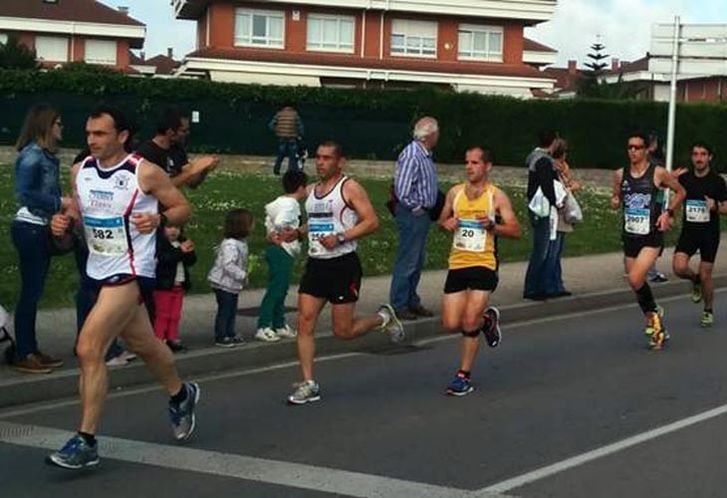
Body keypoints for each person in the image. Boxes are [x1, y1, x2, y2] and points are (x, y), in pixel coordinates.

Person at [46, 105, 200, 469]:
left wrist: (158, 218)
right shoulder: (79, 171)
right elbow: (79, 216)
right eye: (88, 134)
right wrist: (63, 222)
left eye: (100, 134)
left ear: (122, 136)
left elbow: (182, 207)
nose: (92, 141)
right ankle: (182, 394)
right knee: (144, 344)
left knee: (88, 347)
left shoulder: (144, 172)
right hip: (97, 269)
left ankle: (86, 440)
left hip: (130, 271)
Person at [286, 141, 404, 405]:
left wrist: (340, 236)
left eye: (327, 158)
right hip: (316, 264)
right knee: (304, 322)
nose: (320, 162)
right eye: (318, 157)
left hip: (343, 265)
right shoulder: (313, 190)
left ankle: (382, 317)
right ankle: (308, 382)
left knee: (344, 331)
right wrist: (297, 232)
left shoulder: (349, 187)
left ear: (340, 162)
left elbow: (372, 221)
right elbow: (316, 222)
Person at [439, 146, 521, 396]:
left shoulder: (496, 197)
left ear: (487, 166)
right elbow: (441, 222)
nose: (469, 167)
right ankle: (488, 320)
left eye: (475, 162)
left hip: (484, 263)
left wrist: (494, 227)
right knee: (451, 323)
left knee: (468, 321)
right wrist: (447, 224)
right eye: (467, 162)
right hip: (458, 262)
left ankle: (463, 376)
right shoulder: (455, 193)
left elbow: (515, 230)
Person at [10, 104, 72, 373]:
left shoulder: (47, 157)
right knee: (30, 292)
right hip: (30, 227)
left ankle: (29, 347)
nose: (61, 127)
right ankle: (24, 351)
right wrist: (59, 201)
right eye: (57, 123)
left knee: (35, 292)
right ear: (46, 125)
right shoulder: (33, 156)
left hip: (41, 227)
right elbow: (24, 194)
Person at [611, 132, 686, 350]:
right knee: (636, 283)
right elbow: (617, 197)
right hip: (630, 234)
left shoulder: (658, 173)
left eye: (637, 147)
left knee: (635, 278)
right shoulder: (620, 174)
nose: (633, 151)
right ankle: (655, 318)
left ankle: (654, 321)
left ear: (646, 150)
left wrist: (669, 213)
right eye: (629, 147)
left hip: (651, 236)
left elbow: (681, 192)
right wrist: (615, 200)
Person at [389, 117, 440, 320]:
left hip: (423, 213)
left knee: (417, 260)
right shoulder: (412, 154)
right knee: (408, 259)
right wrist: (417, 208)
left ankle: (411, 299)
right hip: (413, 214)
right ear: (430, 134)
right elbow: (402, 188)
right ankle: (399, 303)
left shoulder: (425, 155)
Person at [672, 142, 727, 327]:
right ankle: (694, 280)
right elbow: (672, 192)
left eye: (703, 154)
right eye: (695, 154)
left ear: (709, 157)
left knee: (706, 275)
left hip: (709, 234)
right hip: (689, 231)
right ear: (692, 157)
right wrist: (670, 179)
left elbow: (726, 207)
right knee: (679, 268)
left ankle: (708, 309)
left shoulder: (717, 181)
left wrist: (716, 206)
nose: (699, 158)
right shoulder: (685, 178)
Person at [256, 170, 308, 342]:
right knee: (276, 289)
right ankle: (263, 325)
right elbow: (280, 221)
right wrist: (284, 231)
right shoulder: (292, 204)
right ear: (301, 188)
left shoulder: (277, 202)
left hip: (276, 250)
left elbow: (269, 219)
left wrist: (271, 232)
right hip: (284, 250)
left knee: (280, 288)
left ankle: (279, 323)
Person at [136, 107, 218, 188]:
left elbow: (191, 183)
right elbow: (160, 188)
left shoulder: (177, 149)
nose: (187, 133)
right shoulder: (146, 154)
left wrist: (204, 168)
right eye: (183, 131)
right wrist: (192, 170)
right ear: (170, 131)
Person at [208, 209, 253, 348]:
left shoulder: (240, 243)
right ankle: (221, 335)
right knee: (226, 309)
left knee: (232, 308)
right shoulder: (231, 245)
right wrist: (242, 275)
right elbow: (228, 264)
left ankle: (230, 332)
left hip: (232, 284)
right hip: (223, 283)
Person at [524, 130, 561, 300]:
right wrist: (557, 202)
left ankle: (537, 286)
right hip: (542, 208)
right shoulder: (544, 161)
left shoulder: (534, 157)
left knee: (541, 247)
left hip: (535, 207)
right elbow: (547, 187)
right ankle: (533, 288)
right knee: (541, 249)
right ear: (553, 142)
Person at [154, 224, 197, 352]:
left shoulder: (181, 243)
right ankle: (159, 339)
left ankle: (172, 338)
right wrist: (180, 251)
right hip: (164, 285)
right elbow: (164, 260)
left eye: (177, 228)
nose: (173, 231)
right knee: (163, 314)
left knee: (175, 315)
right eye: (170, 227)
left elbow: (191, 261)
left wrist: (189, 252)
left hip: (179, 284)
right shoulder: (160, 244)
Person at [549, 138, 582, 297]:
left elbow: (571, 183)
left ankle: (556, 283)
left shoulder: (563, 168)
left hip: (561, 215)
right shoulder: (553, 168)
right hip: (556, 215)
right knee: (553, 251)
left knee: (556, 251)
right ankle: (553, 284)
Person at [646, 131, 669, 283]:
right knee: (653, 238)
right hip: (654, 204)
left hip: (648, 203)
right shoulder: (655, 163)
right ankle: (651, 271)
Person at [269, 105, 304, 175]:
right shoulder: (295, 114)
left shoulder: (279, 114)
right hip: (292, 137)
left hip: (282, 137)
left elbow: (271, 125)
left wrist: (277, 131)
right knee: (292, 155)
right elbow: (300, 126)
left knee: (280, 155)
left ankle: (276, 169)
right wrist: (300, 134)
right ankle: (291, 171)